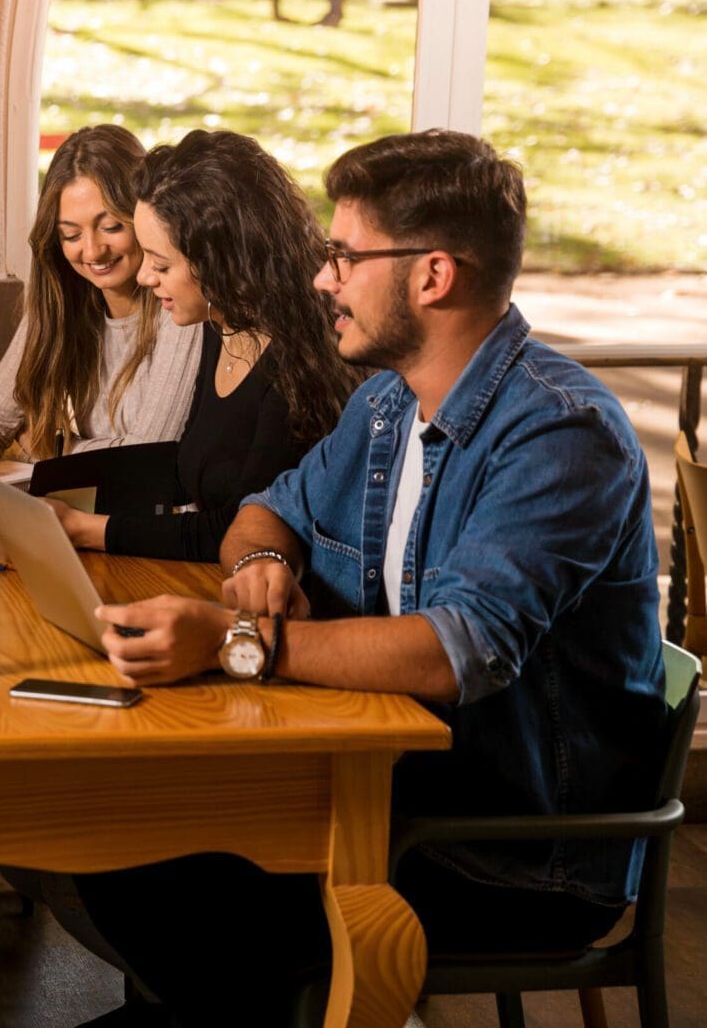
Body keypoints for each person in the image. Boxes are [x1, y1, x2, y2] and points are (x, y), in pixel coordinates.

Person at [70, 130, 669, 1025]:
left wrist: (237, 643)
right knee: (119, 852)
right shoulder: (389, 401)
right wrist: (267, 559)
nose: (322, 280)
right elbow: (267, 508)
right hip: (388, 788)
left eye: (344, 257)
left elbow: (453, 653)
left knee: (161, 885)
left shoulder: (561, 434)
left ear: (432, 276)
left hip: (501, 854)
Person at [48, 130, 359, 562]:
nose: (144, 277)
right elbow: (181, 471)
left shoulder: (297, 367)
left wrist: (84, 528)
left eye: (160, 263)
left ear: (220, 262)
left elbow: (238, 529)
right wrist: (42, 487)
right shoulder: (221, 327)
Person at [0, 124, 202, 479]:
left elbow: (150, 454)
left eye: (111, 227)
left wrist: (52, 449)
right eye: (71, 234)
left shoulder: (180, 306)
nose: (92, 251)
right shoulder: (64, 296)